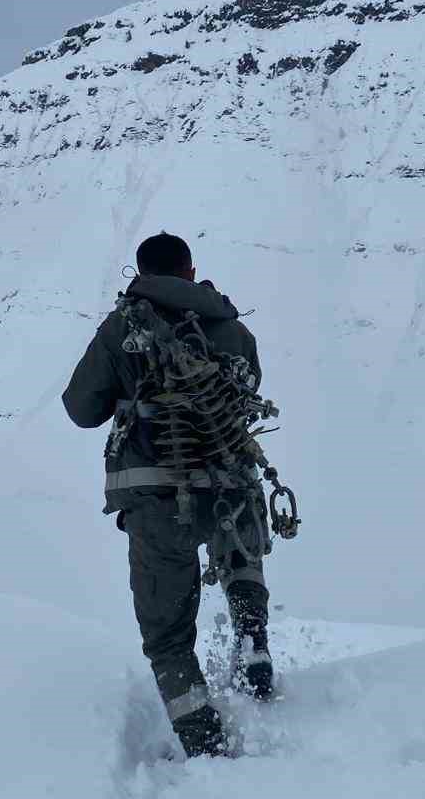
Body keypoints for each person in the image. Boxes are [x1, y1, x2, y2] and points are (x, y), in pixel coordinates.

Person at [62, 233, 273, 758]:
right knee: (238, 563)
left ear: (139, 273)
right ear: (190, 269)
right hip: (230, 483)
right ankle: (254, 649)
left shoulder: (121, 328)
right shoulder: (232, 329)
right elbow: (248, 395)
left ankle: (205, 744)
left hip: (156, 495)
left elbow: (81, 409)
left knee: (167, 636)